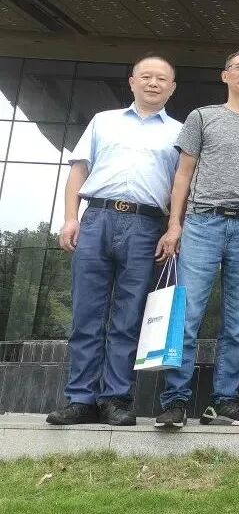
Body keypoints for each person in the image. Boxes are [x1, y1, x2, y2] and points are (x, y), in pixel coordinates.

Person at [46, 55, 181, 426]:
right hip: (97, 219)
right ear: (132, 81)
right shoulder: (103, 121)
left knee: (128, 317)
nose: (153, 83)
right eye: (146, 76)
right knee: (86, 314)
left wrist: (173, 227)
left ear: (172, 88)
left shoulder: (179, 132)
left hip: (146, 225)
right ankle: (80, 399)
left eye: (162, 79)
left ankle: (115, 398)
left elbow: (179, 187)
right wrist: (70, 218)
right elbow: (79, 171)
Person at [154, 49, 239, 428]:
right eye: (238, 67)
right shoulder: (202, 117)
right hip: (202, 223)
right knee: (188, 315)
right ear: (224, 76)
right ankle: (175, 401)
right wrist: (174, 225)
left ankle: (224, 401)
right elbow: (182, 174)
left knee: (238, 322)